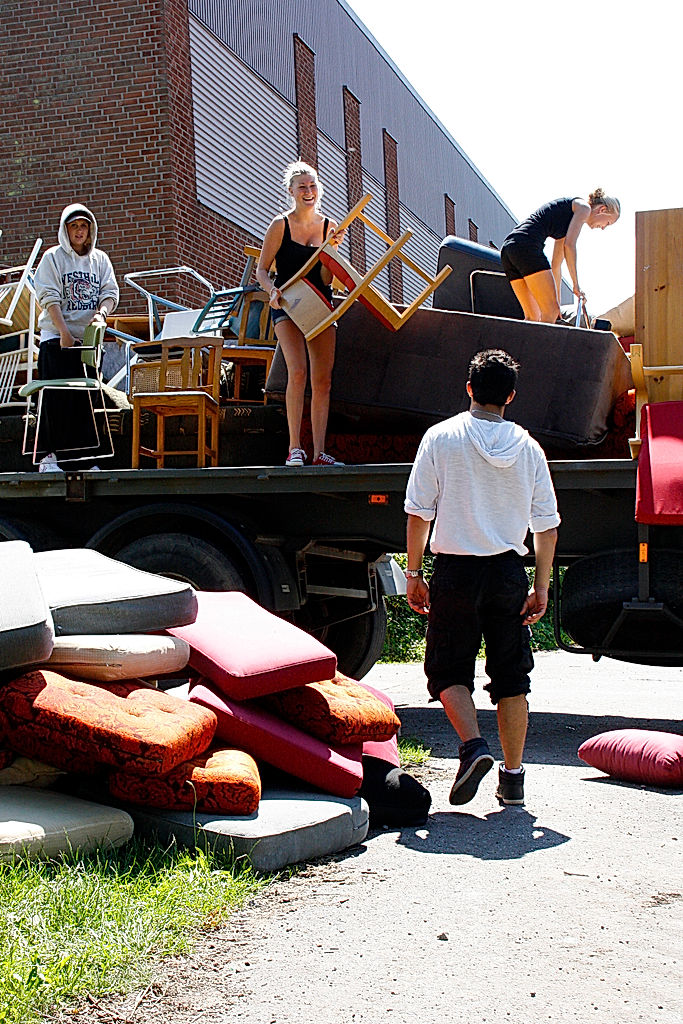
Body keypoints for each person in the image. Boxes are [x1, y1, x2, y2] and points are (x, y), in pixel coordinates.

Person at [404, 349, 560, 807]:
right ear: (510, 396)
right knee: (512, 676)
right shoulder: (529, 447)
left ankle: (473, 746)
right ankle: (512, 779)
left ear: (469, 388)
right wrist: (541, 586)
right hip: (508, 573)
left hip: (456, 570)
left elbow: (418, 514)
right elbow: (546, 525)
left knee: (447, 668)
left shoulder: (441, 437)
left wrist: (413, 572)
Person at [256, 161, 344, 467]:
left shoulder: (328, 226)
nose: (309, 192)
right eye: (302, 187)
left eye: (313, 186)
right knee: (298, 371)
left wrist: (329, 253)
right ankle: (295, 448)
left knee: (323, 381)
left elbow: (325, 279)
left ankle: (319, 452)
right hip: (287, 304)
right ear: (291, 191)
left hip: (319, 302)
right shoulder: (280, 225)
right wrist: (272, 292)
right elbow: (262, 270)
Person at [33, 203, 119, 472]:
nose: (79, 231)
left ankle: (82, 461)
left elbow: (110, 292)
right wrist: (63, 331)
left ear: (90, 230)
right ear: (65, 230)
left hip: (88, 341)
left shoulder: (100, 260)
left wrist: (101, 315)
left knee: (86, 401)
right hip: (57, 338)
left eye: (84, 226)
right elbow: (49, 296)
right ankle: (48, 459)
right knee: (56, 398)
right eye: (74, 226)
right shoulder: (52, 258)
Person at [500, 189, 620, 323]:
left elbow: (556, 265)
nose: (603, 228)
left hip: (509, 249)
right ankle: (544, 344)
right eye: (608, 223)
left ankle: (523, 344)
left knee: (532, 317)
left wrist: (557, 307)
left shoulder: (567, 220)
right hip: (527, 247)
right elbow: (570, 246)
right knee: (549, 311)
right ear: (602, 209)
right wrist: (576, 285)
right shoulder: (584, 208)